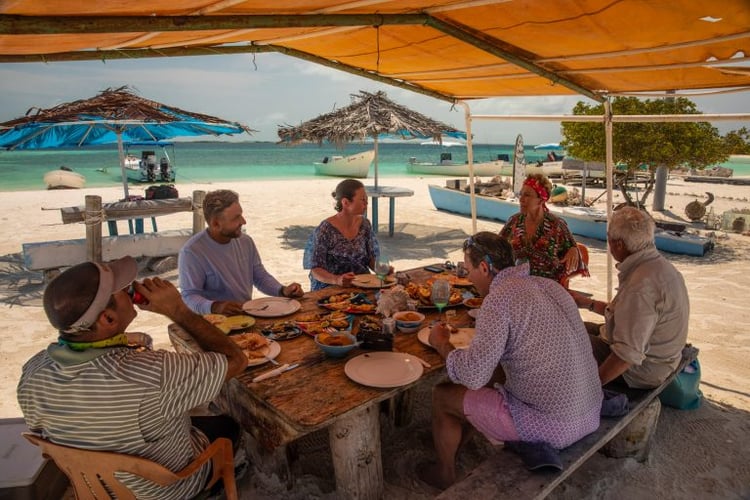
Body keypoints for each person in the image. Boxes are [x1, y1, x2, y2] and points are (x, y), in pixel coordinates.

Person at [17, 256, 248, 500]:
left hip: (95, 488)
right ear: (107, 318)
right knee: (227, 425)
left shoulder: (32, 373)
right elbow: (236, 360)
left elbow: (44, 430)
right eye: (126, 291)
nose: (134, 290)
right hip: (166, 490)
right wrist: (177, 309)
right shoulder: (154, 374)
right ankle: (214, 487)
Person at [420, 232, 602, 490]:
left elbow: (472, 376)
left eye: (469, 269)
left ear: (484, 268)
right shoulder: (549, 285)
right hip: (591, 409)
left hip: (556, 427)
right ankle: (458, 442)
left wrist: (441, 343)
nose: (468, 277)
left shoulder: (500, 298)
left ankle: (444, 473)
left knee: (442, 395)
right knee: (492, 378)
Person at [569, 206, 690, 388]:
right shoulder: (657, 267)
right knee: (572, 327)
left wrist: (592, 390)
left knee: (562, 340)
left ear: (618, 244)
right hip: (658, 354)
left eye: (609, 239)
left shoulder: (641, 286)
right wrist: (587, 303)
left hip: (643, 370)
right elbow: (629, 316)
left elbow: (626, 356)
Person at [179, 189, 303, 315]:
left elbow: (259, 276)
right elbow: (189, 296)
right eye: (236, 218)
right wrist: (215, 307)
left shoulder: (245, 241)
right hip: (213, 323)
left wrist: (282, 291)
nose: (243, 221)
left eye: (241, 215)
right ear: (216, 223)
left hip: (245, 315)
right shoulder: (192, 252)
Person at [499, 173, 587, 284]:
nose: (521, 199)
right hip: (516, 284)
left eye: (527, 195)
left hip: (547, 288)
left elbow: (579, 261)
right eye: (521, 194)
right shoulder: (514, 221)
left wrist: (574, 251)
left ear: (541, 200)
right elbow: (497, 246)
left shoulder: (557, 225)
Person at [306, 179, 381, 290]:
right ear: (345, 202)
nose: (366, 203)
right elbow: (315, 269)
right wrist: (337, 279)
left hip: (362, 283)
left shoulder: (365, 224)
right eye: (363, 200)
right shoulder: (325, 229)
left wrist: (382, 270)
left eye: (367, 199)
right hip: (331, 287)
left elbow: (370, 259)